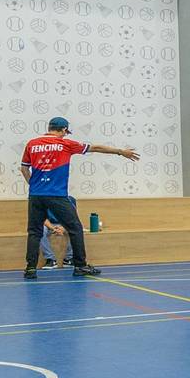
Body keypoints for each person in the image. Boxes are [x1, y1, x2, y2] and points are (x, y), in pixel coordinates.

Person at [20, 116, 140, 280]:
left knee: (34, 232)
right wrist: (120, 152)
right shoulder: (66, 144)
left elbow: (24, 169)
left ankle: (30, 269)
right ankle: (80, 265)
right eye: (65, 132)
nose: (65, 135)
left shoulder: (32, 144)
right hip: (56, 194)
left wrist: (33, 185)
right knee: (75, 228)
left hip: (35, 195)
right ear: (63, 130)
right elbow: (96, 147)